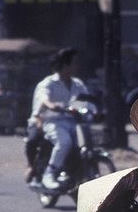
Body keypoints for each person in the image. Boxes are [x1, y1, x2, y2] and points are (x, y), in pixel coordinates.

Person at [29, 48, 93, 189]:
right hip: (52, 121)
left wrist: (95, 111)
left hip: (73, 122)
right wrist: (52, 105)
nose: (77, 66)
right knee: (64, 143)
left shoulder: (78, 84)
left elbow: (86, 101)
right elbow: (44, 99)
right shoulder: (48, 83)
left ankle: (74, 174)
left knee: (85, 146)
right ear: (65, 64)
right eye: (74, 63)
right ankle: (49, 173)